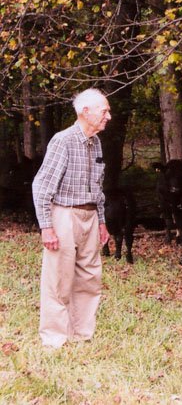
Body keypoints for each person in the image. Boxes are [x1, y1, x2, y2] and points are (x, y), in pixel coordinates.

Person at [32, 88, 111, 348]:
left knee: (90, 277)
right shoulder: (62, 141)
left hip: (89, 216)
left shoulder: (96, 142)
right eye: (104, 111)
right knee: (59, 278)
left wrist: (101, 221)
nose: (108, 116)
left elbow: (97, 187)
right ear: (85, 112)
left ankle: (81, 335)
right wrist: (47, 227)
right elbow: (42, 186)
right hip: (64, 215)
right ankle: (55, 339)